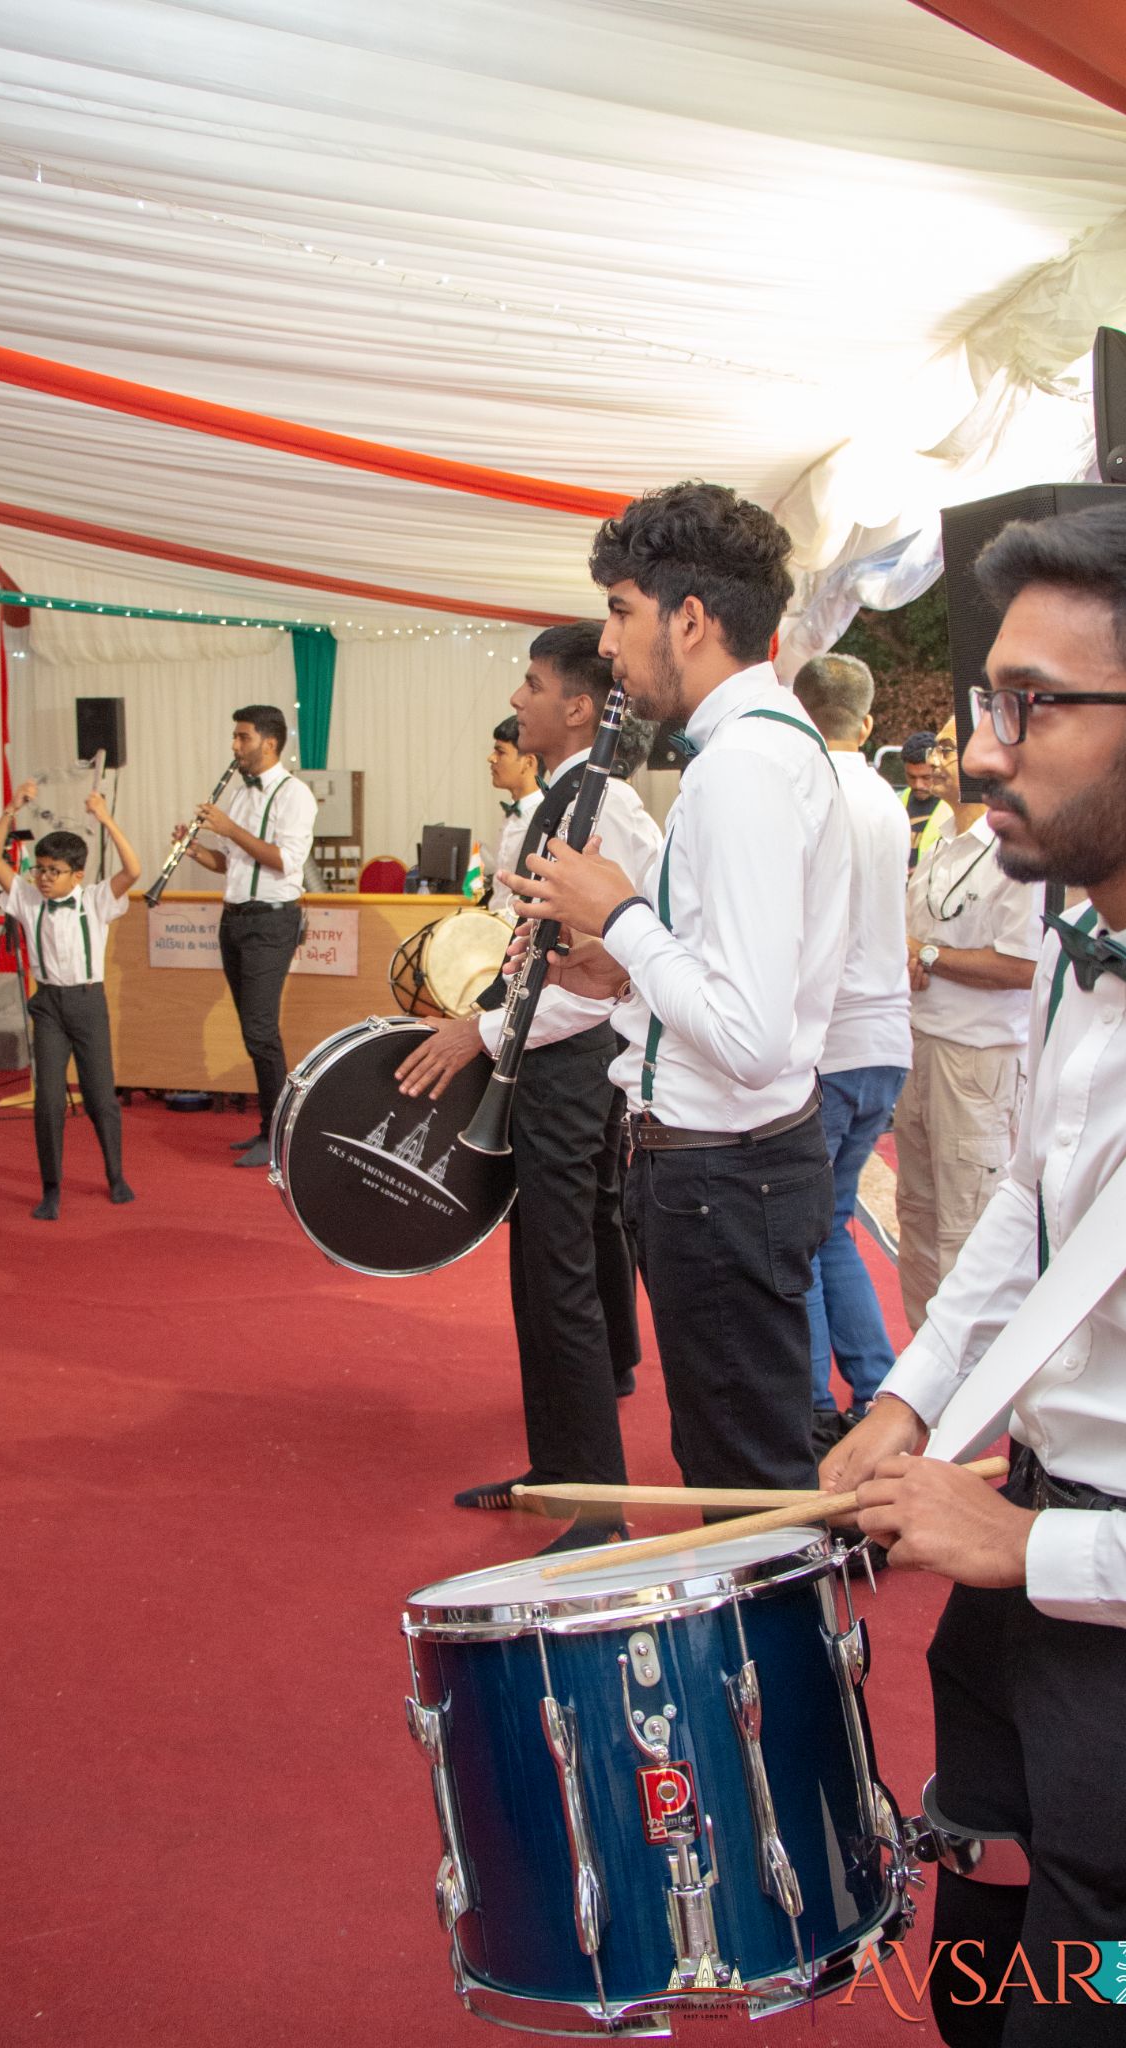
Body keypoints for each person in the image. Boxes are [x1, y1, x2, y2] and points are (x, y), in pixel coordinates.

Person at [826, 495, 1126, 2047]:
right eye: (990, 700)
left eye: (1032, 705)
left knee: (1117, 1989)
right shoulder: (1079, 949)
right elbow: (1025, 1213)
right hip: (1025, 1569)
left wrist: (1029, 1547)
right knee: (975, 1951)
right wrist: (908, 1401)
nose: (984, 751)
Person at [504, 483, 851, 1494]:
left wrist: (616, 913)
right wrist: (621, 965)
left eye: (620, 611)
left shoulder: (743, 767)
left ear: (689, 620)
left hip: (722, 1176)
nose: (608, 644)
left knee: (742, 1484)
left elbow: (748, 1035)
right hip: (732, 1169)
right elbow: (729, 973)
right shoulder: (762, 749)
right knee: (735, 1463)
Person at [395, 622, 661, 1546]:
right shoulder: (563, 798)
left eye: (533, 685)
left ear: (580, 707)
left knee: (561, 1276)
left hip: (569, 1061)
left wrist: (482, 1030)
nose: (517, 700)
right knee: (537, 1278)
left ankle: (596, 1505)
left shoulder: (606, 807)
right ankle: (558, 1470)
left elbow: (601, 971)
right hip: (541, 1057)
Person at [792, 655, 911, 1453]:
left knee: (799, 1233)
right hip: (885, 1037)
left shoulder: (809, 793)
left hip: (828, 1041)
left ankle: (810, 1404)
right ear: (866, 724)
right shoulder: (887, 800)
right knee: (830, 1225)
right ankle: (874, 1389)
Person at [897, 715, 1043, 1329]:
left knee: (970, 1231)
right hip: (922, 1048)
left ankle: (973, 1378)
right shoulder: (944, 837)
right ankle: (922, 1368)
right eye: (936, 746)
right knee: (917, 1218)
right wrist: (913, 953)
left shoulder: (1019, 848)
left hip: (978, 1064)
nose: (935, 760)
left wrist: (929, 955)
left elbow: (1025, 965)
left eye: (948, 748)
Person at [0, 782, 139, 1220]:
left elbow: (133, 869)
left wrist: (105, 819)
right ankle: (51, 1187)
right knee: (49, 1100)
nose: (45, 878)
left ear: (77, 875)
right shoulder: (27, 898)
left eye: (55, 871)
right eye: (41, 869)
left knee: (100, 1097)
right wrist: (11, 809)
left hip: (88, 1004)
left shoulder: (96, 900)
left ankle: (116, 1175)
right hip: (48, 1004)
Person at [173, 706, 317, 1167]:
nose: (235, 746)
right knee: (252, 1031)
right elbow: (230, 863)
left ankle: (277, 1135)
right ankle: (266, 1127)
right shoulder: (239, 794)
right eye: (234, 737)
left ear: (269, 743)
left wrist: (229, 828)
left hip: (271, 922)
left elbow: (285, 861)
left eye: (243, 737)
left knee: (260, 1030)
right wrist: (195, 850)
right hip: (234, 919)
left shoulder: (295, 795)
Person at [486, 714, 541, 915]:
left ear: (528, 762)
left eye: (500, 752)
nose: (491, 758)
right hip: (499, 921)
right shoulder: (513, 813)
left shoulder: (542, 818)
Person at [899, 728, 953, 868]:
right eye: (911, 777)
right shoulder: (896, 802)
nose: (918, 785)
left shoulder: (953, 808)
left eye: (926, 777)